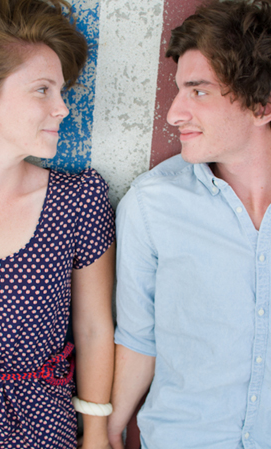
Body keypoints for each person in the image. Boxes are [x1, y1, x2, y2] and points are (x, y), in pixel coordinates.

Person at [108, 1, 271, 447]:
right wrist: (106, 434)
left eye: (198, 91)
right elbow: (139, 339)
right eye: (179, 90)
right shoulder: (152, 204)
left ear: (262, 105)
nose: (174, 113)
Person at [0, 0, 116, 447]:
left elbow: (94, 329)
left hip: (40, 428)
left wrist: (94, 433)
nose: (63, 108)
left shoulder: (77, 201)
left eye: (63, 91)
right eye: (43, 90)